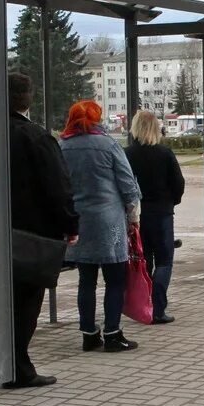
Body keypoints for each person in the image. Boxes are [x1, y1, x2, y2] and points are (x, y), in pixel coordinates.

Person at [7, 73, 79, 389]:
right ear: (28, 98)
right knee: (24, 303)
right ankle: (19, 369)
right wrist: (70, 225)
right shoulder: (35, 137)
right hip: (29, 238)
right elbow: (58, 188)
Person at [60, 100, 142, 352]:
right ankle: (113, 334)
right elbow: (128, 184)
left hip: (79, 221)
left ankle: (88, 334)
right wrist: (134, 218)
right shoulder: (109, 145)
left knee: (86, 279)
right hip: (109, 223)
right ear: (96, 118)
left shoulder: (63, 146)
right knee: (115, 280)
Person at [125, 110, 184, 325]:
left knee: (144, 261)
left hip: (138, 215)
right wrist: (171, 201)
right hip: (162, 213)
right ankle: (158, 309)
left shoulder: (127, 154)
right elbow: (178, 183)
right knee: (164, 261)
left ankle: (144, 305)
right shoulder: (165, 153)